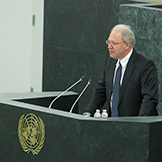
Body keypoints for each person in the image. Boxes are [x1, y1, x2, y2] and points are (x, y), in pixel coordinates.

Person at [85, 24, 158, 117]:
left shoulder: (145, 65)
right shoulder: (110, 60)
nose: (109, 46)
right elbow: (102, 89)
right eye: (108, 42)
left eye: (114, 43)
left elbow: (149, 99)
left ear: (127, 45)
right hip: (112, 123)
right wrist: (88, 113)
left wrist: (140, 126)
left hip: (133, 124)